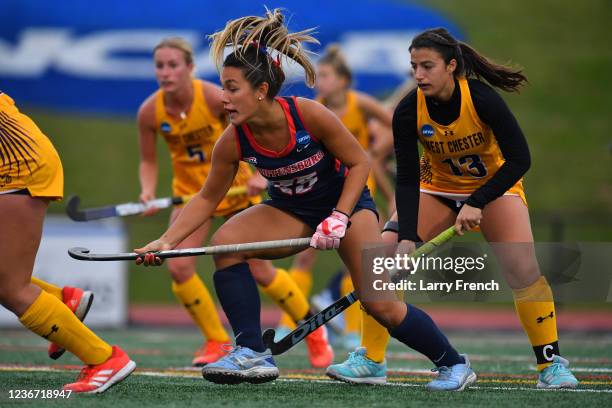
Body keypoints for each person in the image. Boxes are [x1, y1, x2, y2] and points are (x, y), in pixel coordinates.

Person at [135, 9, 475, 391]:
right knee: (226, 246)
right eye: (223, 88)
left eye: (232, 89)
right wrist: (167, 242)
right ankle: (250, 352)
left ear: (261, 90)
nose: (224, 99)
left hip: (348, 205)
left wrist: (340, 216)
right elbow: (206, 199)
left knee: (380, 303)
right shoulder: (232, 139)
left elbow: (360, 162)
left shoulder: (307, 114)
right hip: (290, 209)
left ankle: (453, 364)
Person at [389, 27, 578, 388]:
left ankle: (550, 365)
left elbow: (520, 159)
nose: (418, 75)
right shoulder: (407, 111)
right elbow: (408, 178)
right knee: (383, 258)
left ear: (451, 66)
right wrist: (407, 237)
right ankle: (371, 358)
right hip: (437, 188)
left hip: (494, 188)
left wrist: (478, 201)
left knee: (524, 271)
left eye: (427, 66)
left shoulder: (482, 100)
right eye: (414, 66)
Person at [137, 37, 332, 367]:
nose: (166, 73)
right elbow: (149, 161)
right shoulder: (150, 112)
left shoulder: (215, 97)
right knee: (179, 265)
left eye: (173, 65)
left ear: (189, 67)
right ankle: (216, 340)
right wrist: (147, 190)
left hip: (237, 190)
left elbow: (253, 134)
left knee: (261, 272)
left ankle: (312, 329)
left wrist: (259, 174)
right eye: (160, 66)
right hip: (194, 194)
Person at [0, 91, 135, 393]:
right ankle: (64, 300)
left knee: (11, 288)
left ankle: (104, 359)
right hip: (19, 162)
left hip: (19, 169)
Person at [276, 44, 395, 350]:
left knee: (360, 264)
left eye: (327, 76)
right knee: (304, 255)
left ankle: (353, 330)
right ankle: (288, 324)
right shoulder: (316, 109)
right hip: (324, 187)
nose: (322, 82)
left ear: (343, 79)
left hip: (357, 188)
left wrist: (380, 148)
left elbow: (396, 127)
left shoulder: (362, 104)